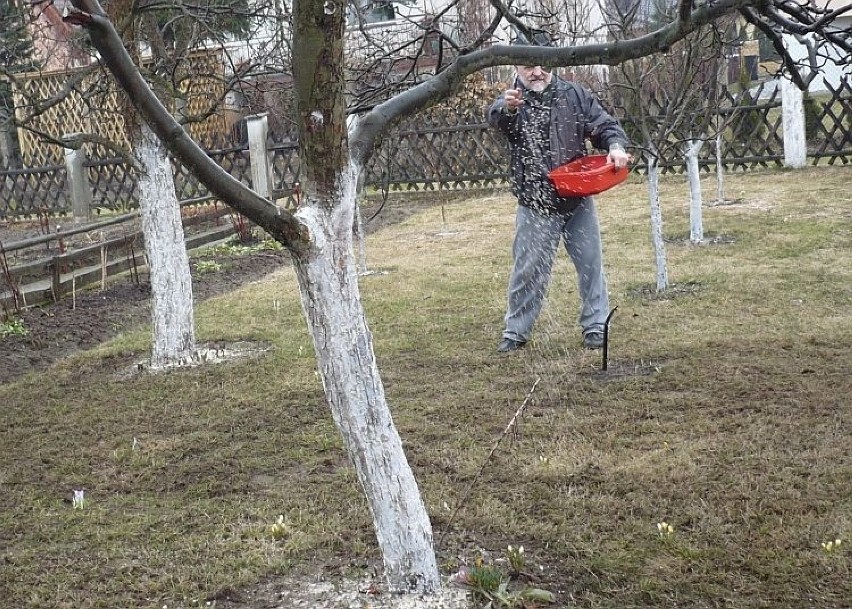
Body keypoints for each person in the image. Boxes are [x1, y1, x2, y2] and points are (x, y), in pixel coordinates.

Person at [488, 39, 631, 353]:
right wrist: (507, 108)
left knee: (591, 265)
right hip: (536, 202)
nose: (537, 72)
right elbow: (498, 117)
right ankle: (516, 332)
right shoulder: (512, 101)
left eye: (543, 64)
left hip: (578, 199)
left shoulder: (574, 95)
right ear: (514, 66)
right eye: (529, 66)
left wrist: (616, 147)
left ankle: (596, 327)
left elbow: (605, 125)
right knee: (528, 271)